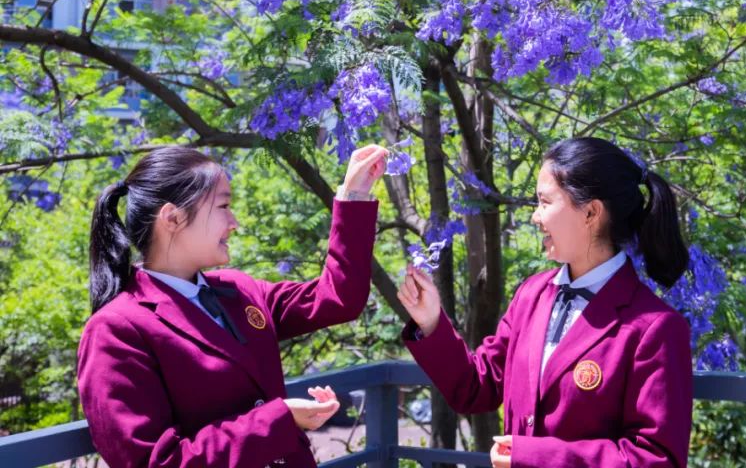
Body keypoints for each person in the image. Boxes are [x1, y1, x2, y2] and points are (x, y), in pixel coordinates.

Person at [77, 143, 388, 468]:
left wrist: (353, 194)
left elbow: (339, 298)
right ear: (172, 218)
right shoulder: (115, 329)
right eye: (223, 206)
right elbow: (156, 463)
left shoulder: (239, 289)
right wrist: (280, 420)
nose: (234, 221)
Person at [398, 136, 693, 468]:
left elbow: (657, 460)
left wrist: (535, 457)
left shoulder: (655, 328)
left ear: (591, 212)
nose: (536, 217)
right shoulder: (532, 295)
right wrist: (432, 323)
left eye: (544, 202)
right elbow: (475, 388)